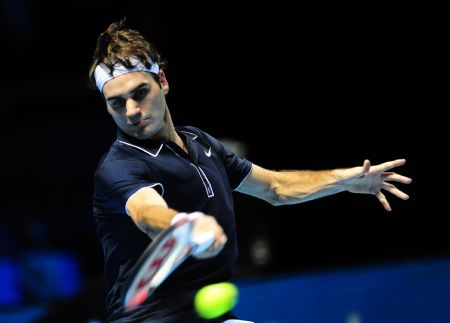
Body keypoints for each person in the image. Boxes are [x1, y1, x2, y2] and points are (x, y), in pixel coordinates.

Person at [89, 19, 412, 323]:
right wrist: (182, 225)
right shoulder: (119, 165)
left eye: (140, 93)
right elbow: (146, 212)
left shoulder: (202, 143)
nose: (131, 111)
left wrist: (346, 179)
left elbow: (275, 187)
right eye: (116, 103)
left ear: (162, 81)